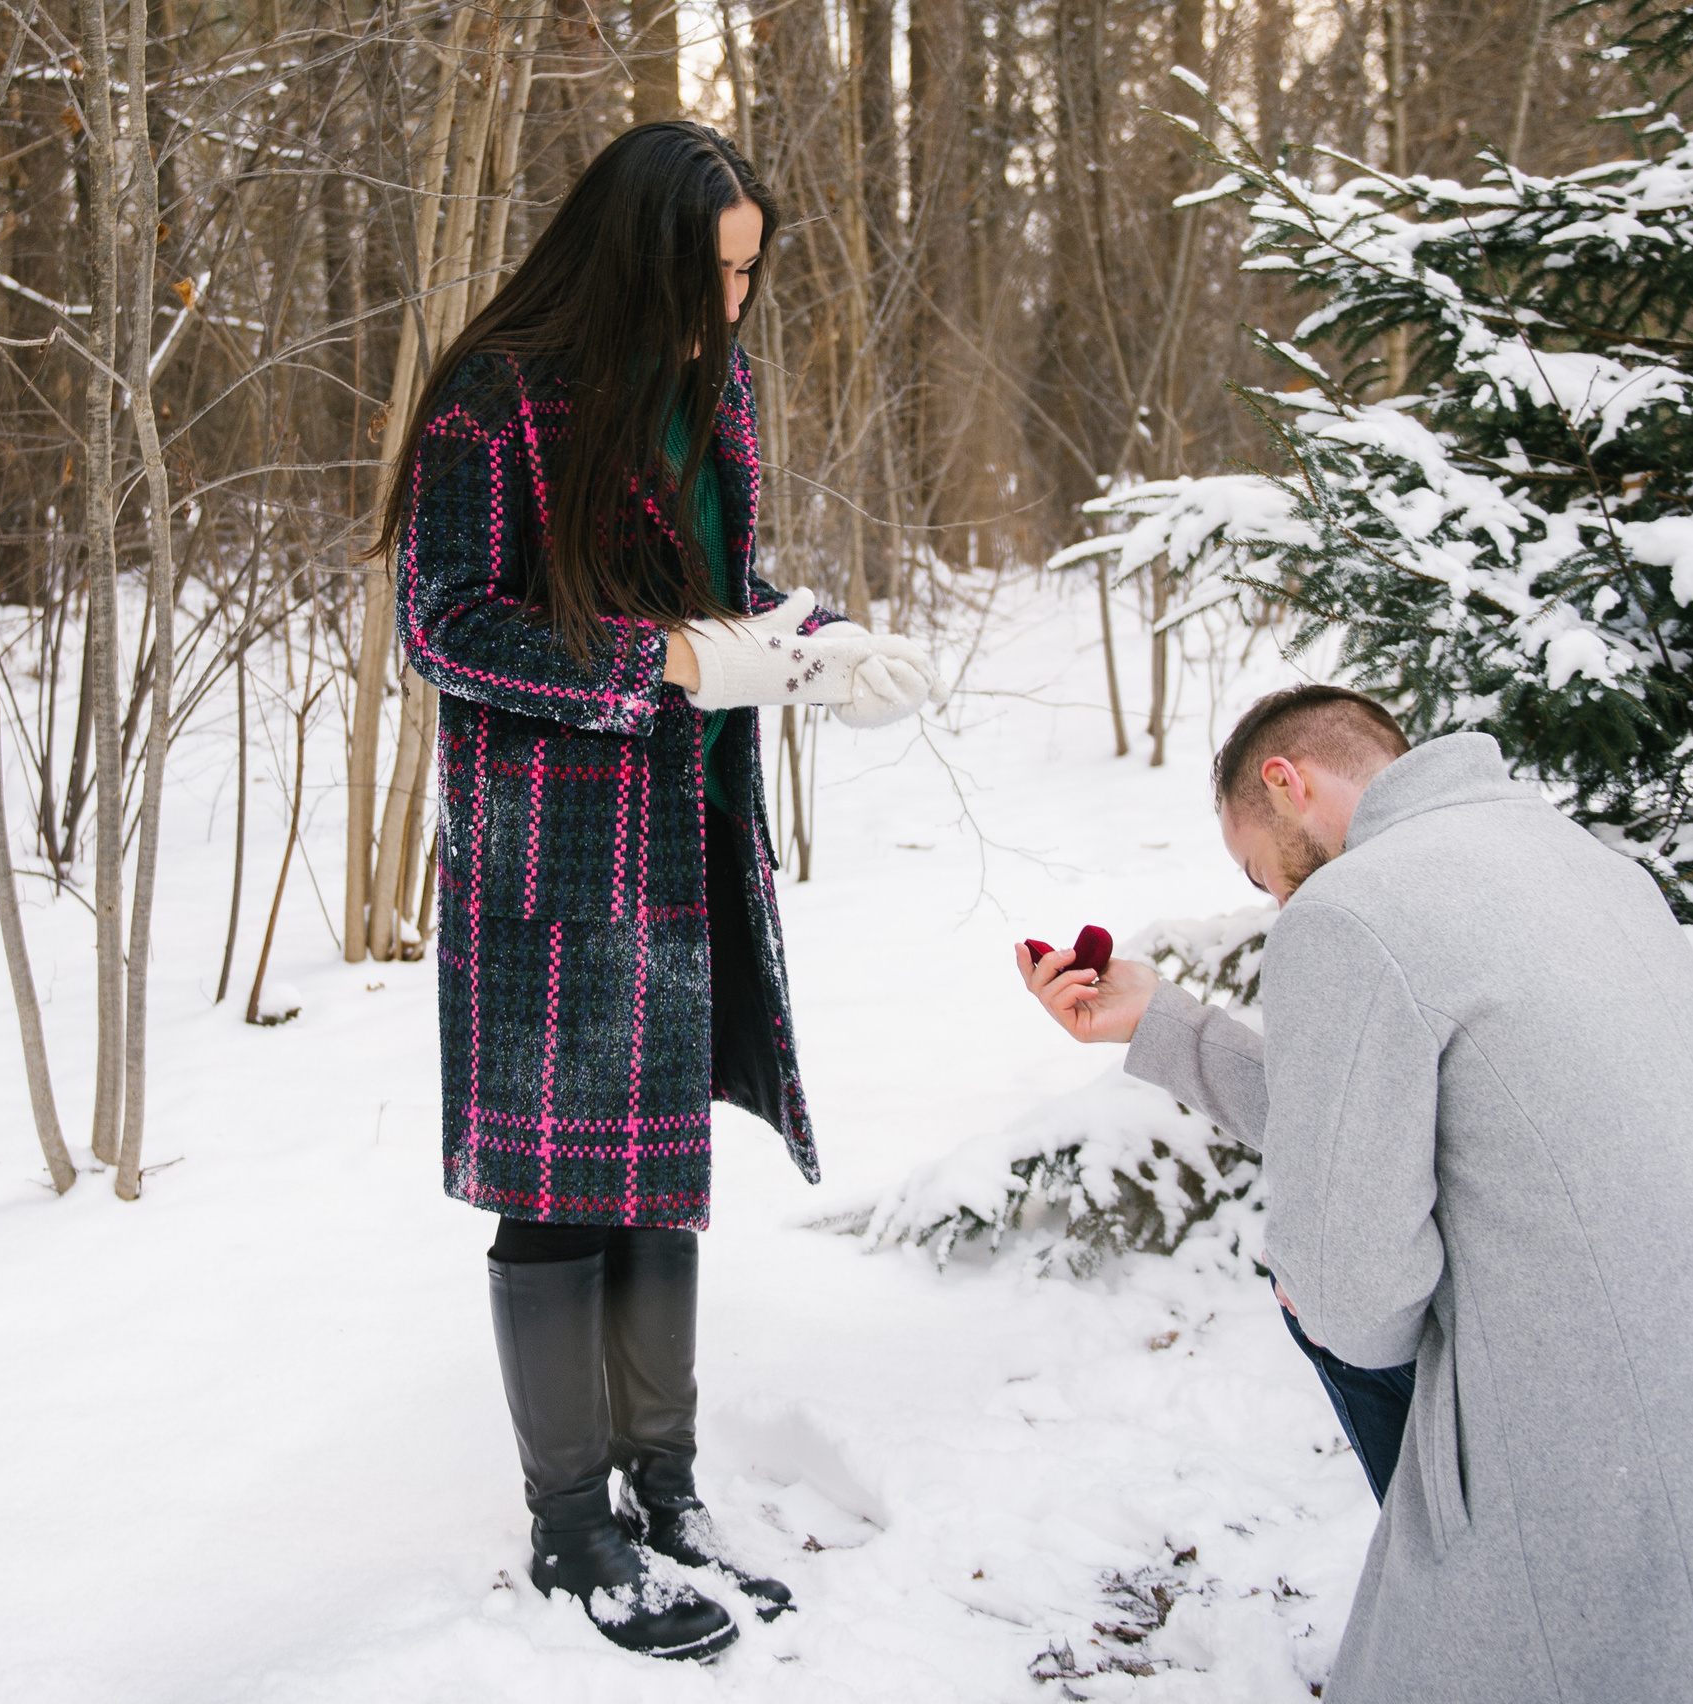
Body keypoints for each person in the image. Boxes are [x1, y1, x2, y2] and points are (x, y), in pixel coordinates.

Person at [378, 121, 945, 1661]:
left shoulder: (714, 390)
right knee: (561, 1189)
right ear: (635, 259)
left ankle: (665, 1489)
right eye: (713, 275)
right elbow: (444, 626)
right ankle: (573, 1529)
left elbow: (714, 589)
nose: (734, 305)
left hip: (688, 827)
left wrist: (815, 642)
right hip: (552, 850)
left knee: (659, 1166)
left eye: (751, 274)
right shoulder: (495, 399)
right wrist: (674, 664)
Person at [1019, 684, 1693, 1702]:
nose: (1277, 899)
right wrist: (1164, 1022)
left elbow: (1349, 1285)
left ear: (1285, 784)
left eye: (1260, 869)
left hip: (1593, 1455)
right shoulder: (1591, 869)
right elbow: (1408, 1120)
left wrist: (1332, 1317)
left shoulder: (1348, 909)